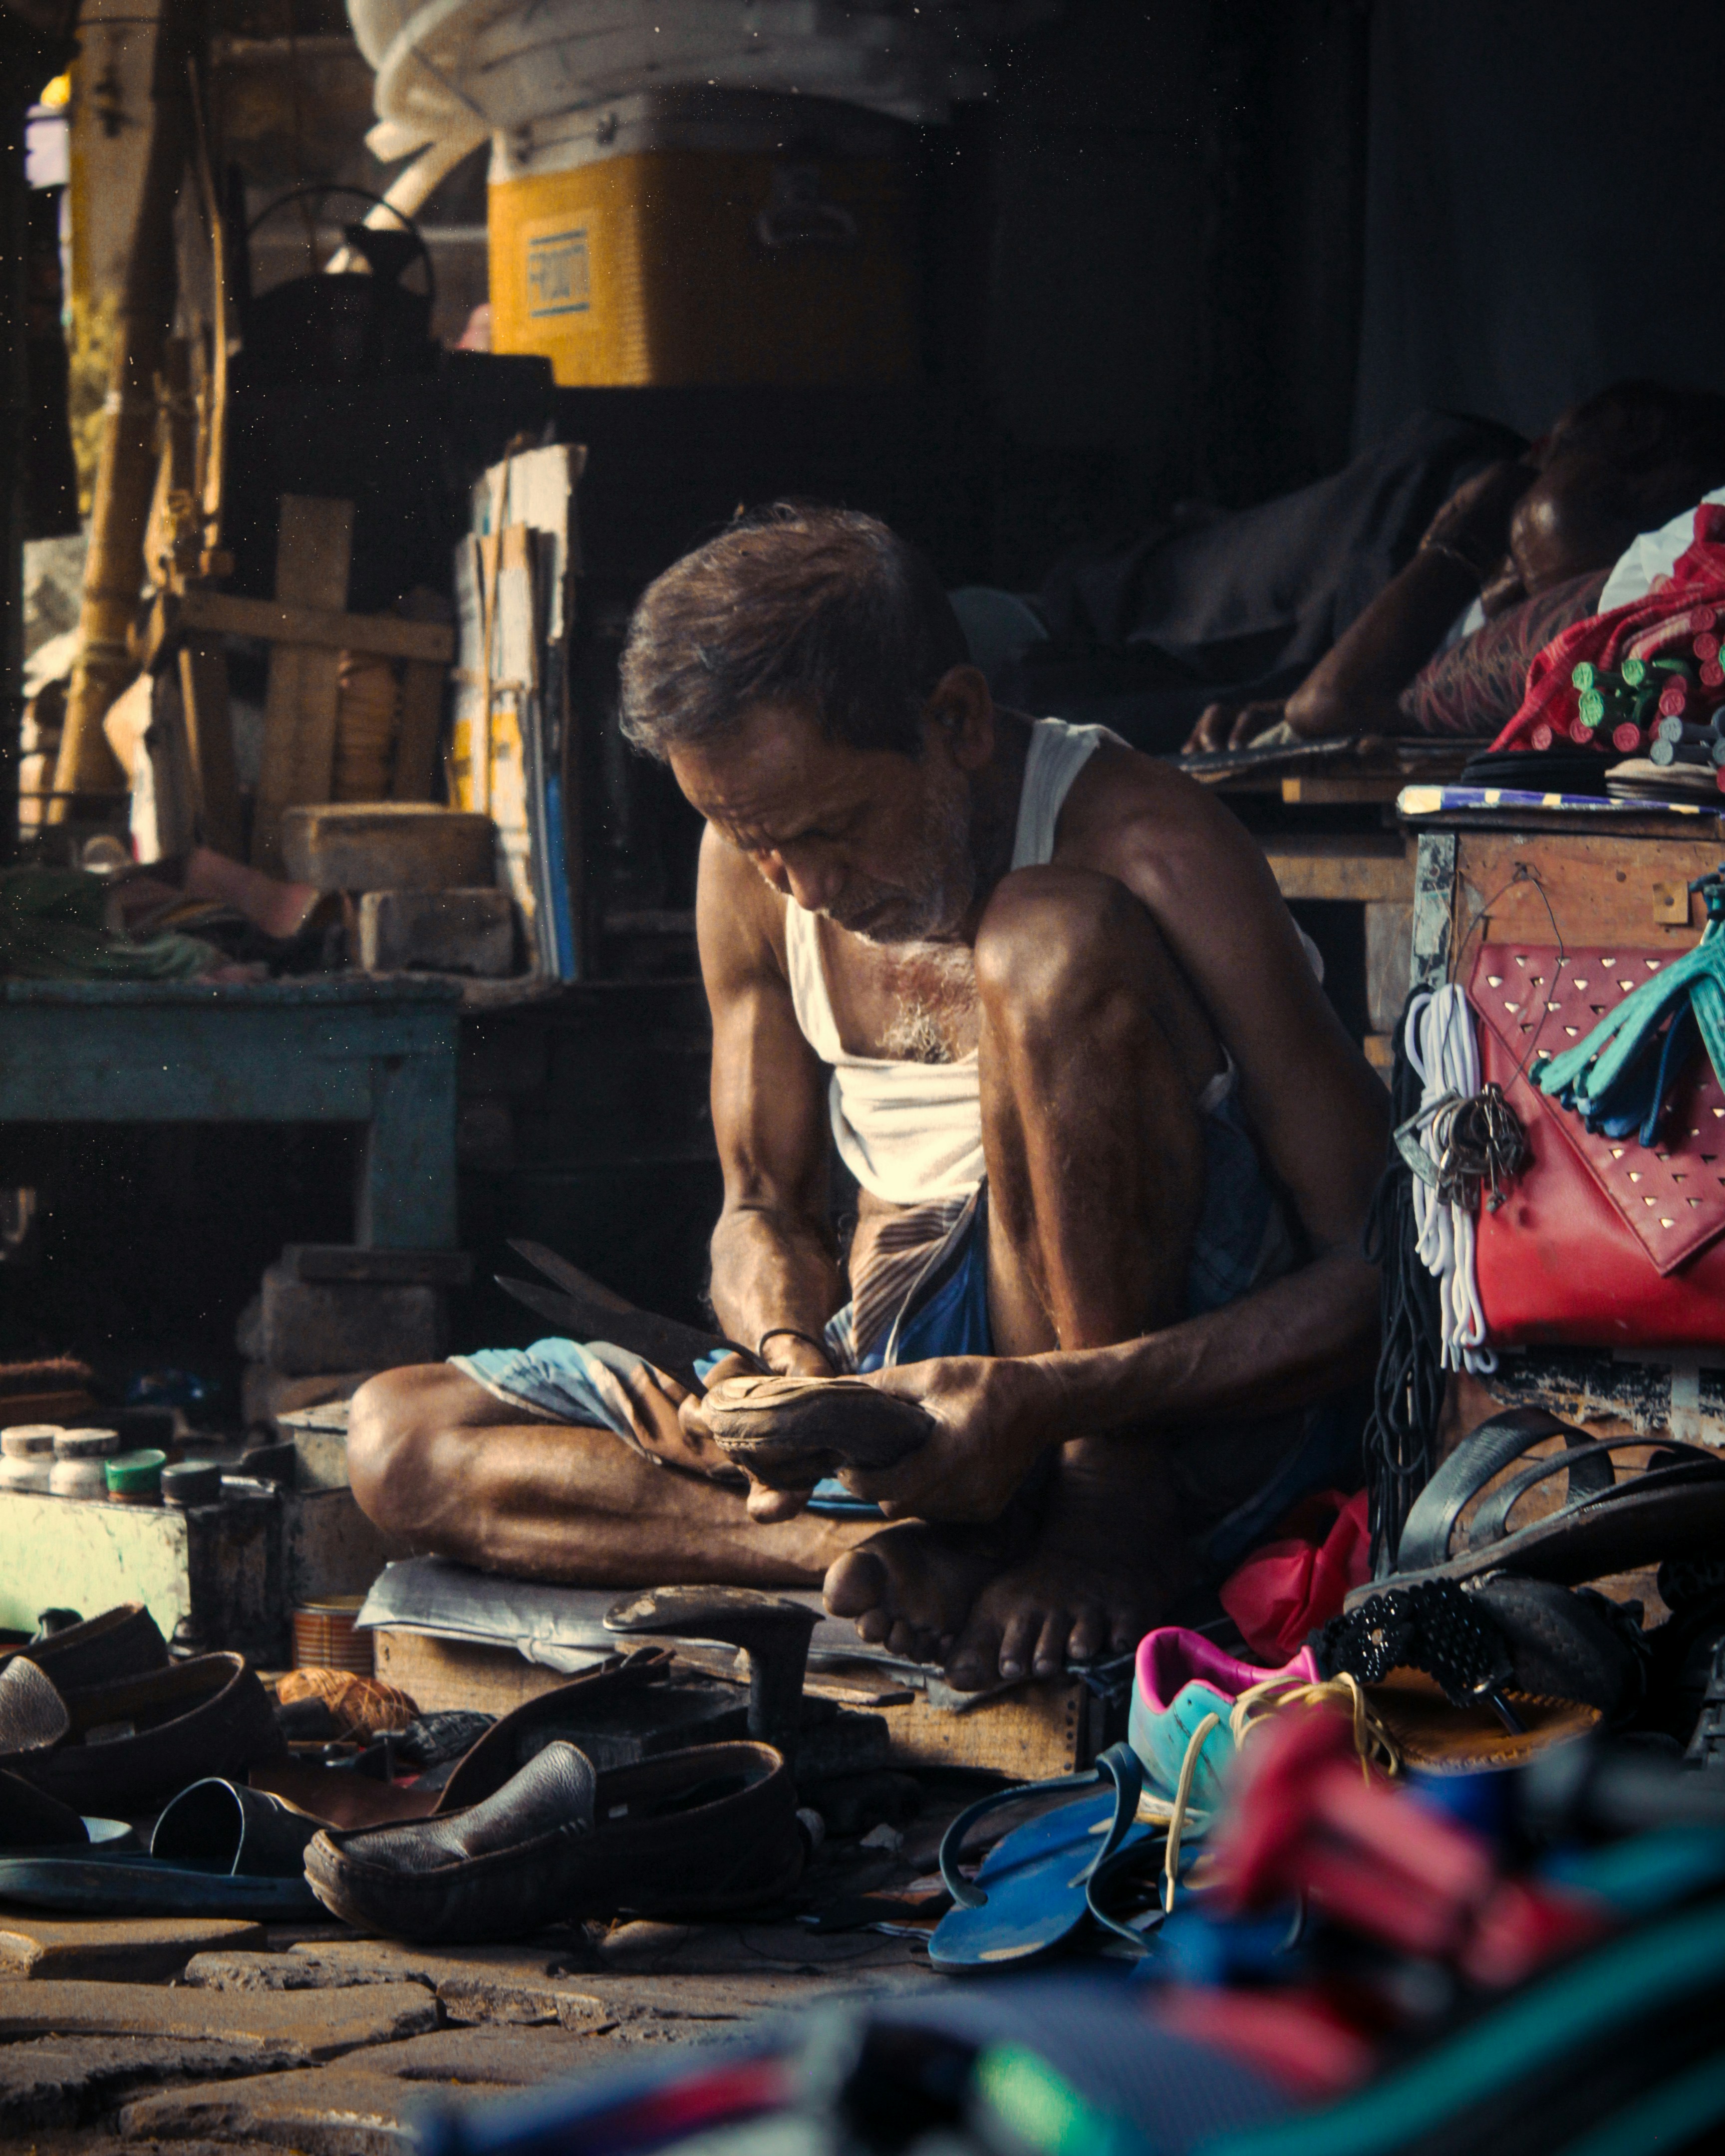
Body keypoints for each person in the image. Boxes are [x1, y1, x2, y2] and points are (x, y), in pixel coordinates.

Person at [346, 508, 1387, 1690]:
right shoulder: (757, 862)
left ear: (954, 721)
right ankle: (902, 1547)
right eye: (757, 843)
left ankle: (1100, 1514)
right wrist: (786, 1362)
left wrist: (1059, 1409)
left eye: (832, 829)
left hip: (1146, 1409)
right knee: (400, 1443)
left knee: (1044, 937)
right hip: (913, 1412)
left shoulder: (1149, 844)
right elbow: (758, 1209)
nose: (806, 885)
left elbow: (1373, 1270)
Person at [1183, 381, 1725, 752]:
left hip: (1361, 639)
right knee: (1178, 590)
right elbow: (1327, 702)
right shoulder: (1494, 496)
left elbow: (1323, 703)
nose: (1516, 592)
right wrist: (1465, 532)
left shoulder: (1610, 596)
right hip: (1412, 513)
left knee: (1160, 728)